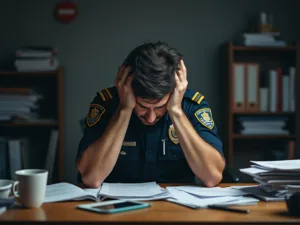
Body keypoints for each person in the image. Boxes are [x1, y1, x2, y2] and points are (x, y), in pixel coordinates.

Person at [76, 41, 225, 188]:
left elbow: (212, 177)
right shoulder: (107, 103)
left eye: (160, 107)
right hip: (116, 206)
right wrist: (124, 109)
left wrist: (176, 111)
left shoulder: (191, 105)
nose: (151, 117)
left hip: (177, 209)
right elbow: (91, 178)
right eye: (142, 106)